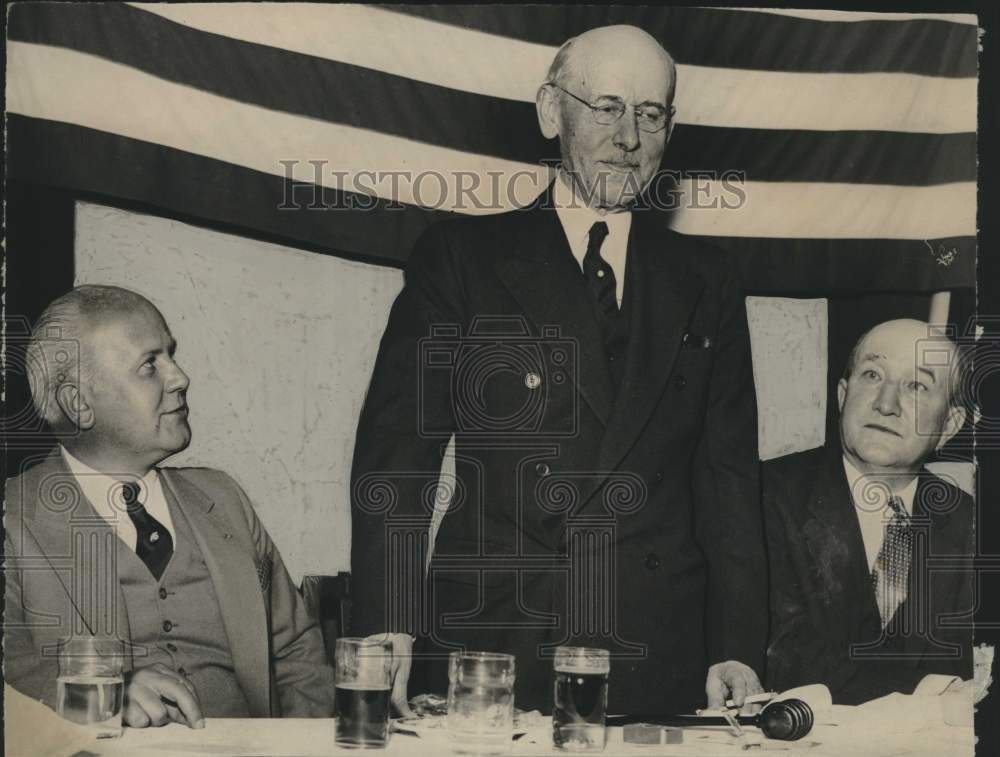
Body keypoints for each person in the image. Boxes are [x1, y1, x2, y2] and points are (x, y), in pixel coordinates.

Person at [350, 25, 766, 716]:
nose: (628, 136)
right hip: (495, 641)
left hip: (655, 649)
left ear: (671, 128)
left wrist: (737, 644)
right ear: (552, 111)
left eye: (650, 113)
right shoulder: (460, 258)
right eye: (605, 107)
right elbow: (398, 455)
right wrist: (387, 619)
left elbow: (727, 478)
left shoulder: (709, 281)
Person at [5, 285, 335, 726]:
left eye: (171, 356)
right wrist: (97, 694)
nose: (180, 377)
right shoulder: (14, 517)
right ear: (79, 404)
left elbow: (297, 654)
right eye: (149, 365)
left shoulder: (224, 499)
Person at [764, 319, 974, 704]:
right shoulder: (765, 496)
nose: (886, 404)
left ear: (950, 425)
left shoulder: (971, 525)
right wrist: (933, 696)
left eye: (916, 386)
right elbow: (781, 653)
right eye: (872, 374)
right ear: (843, 395)